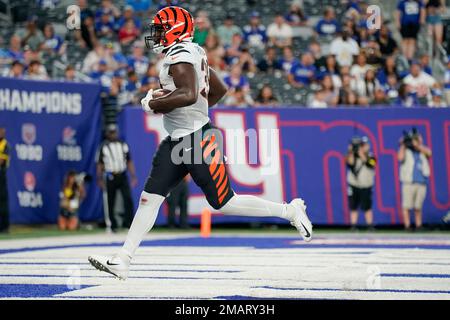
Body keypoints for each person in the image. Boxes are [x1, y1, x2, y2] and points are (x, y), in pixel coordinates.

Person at [88, 6, 312, 280]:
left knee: (224, 202)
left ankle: (289, 210)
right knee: (149, 199)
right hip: (179, 139)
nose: (156, 34)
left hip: (196, 140)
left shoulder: (181, 55)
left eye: (160, 29)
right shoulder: (193, 51)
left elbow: (190, 93)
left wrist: (155, 103)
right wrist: (190, 110)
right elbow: (216, 90)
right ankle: (123, 259)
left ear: (175, 29)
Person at [96, 124, 138, 233]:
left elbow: (129, 161)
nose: (113, 134)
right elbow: (100, 164)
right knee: (110, 201)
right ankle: (112, 225)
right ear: (107, 134)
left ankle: (128, 223)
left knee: (128, 199)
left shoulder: (123, 144)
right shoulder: (103, 146)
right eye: (111, 132)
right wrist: (99, 178)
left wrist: (133, 176)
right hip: (110, 176)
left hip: (122, 174)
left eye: (114, 132)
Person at [398, 129, 432, 231]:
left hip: (421, 181)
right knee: (407, 205)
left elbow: (429, 153)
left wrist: (417, 145)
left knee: (418, 206)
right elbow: (399, 158)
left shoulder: (421, 150)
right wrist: (403, 144)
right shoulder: (406, 150)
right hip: (409, 182)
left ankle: (418, 225)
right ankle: (407, 225)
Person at [346, 137, 376, 230]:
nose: (362, 147)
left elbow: (371, 164)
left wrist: (362, 154)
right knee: (353, 206)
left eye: (363, 145)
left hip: (366, 185)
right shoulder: (352, 156)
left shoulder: (371, 156)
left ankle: (369, 225)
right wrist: (351, 151)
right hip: (354, 184)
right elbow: (349, 163)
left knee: (367, 206)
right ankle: (353, 225)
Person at [0, 128, 9, 233]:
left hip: (1, 174)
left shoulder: (5, 145)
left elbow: (1, 161)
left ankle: (4, 226)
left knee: (2, 201)